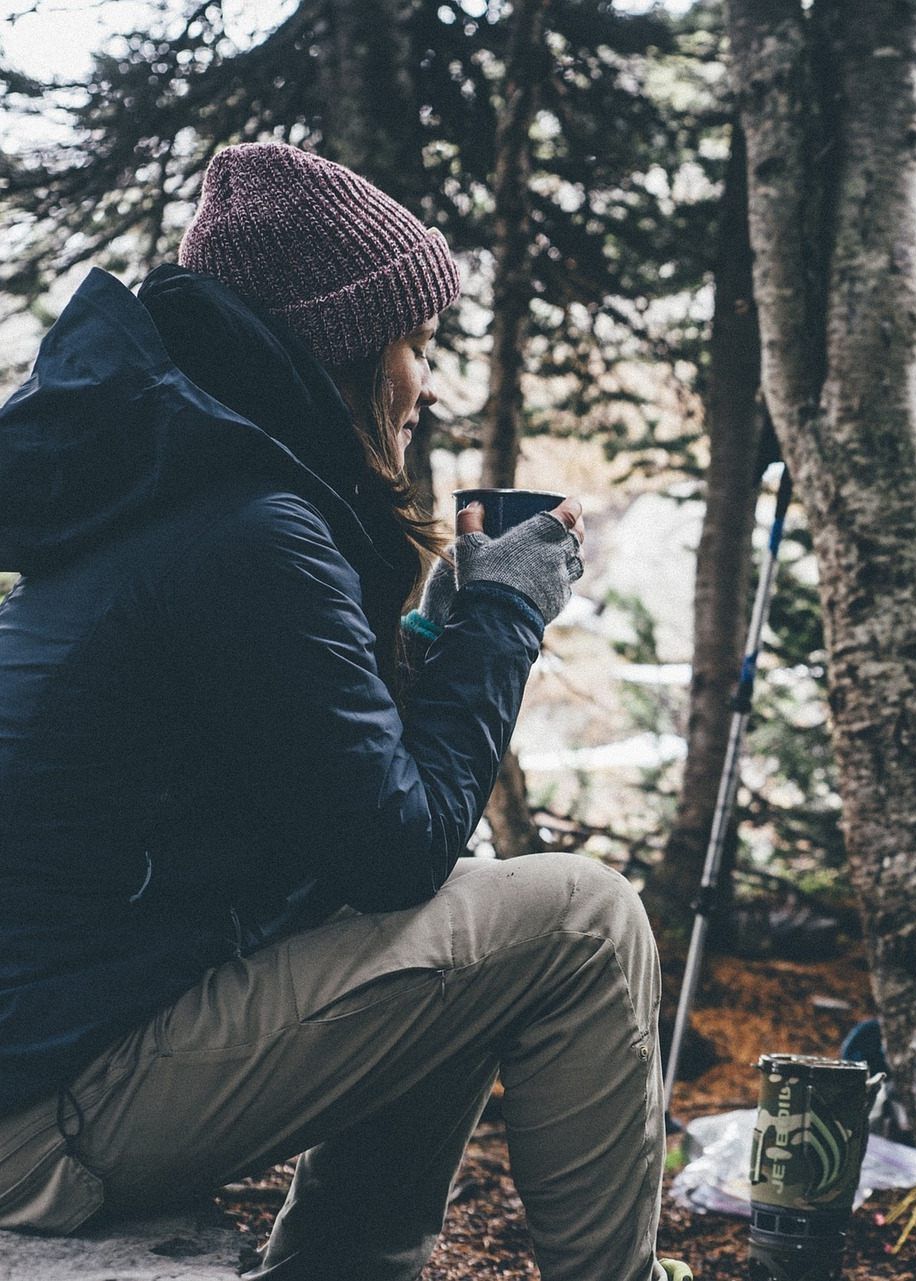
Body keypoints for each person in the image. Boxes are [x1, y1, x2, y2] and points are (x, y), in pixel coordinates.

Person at [0, 142, 689, 1281]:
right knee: (581, 918)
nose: (426, 381)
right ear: (343, 347)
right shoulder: (249, 530)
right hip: (46, 1110)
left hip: (47, 1057)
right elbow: (394, 850)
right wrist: (504, 621)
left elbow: (321, 801)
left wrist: (433, 641)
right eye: (415, 345)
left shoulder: (171, 500)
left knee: (471, 917)